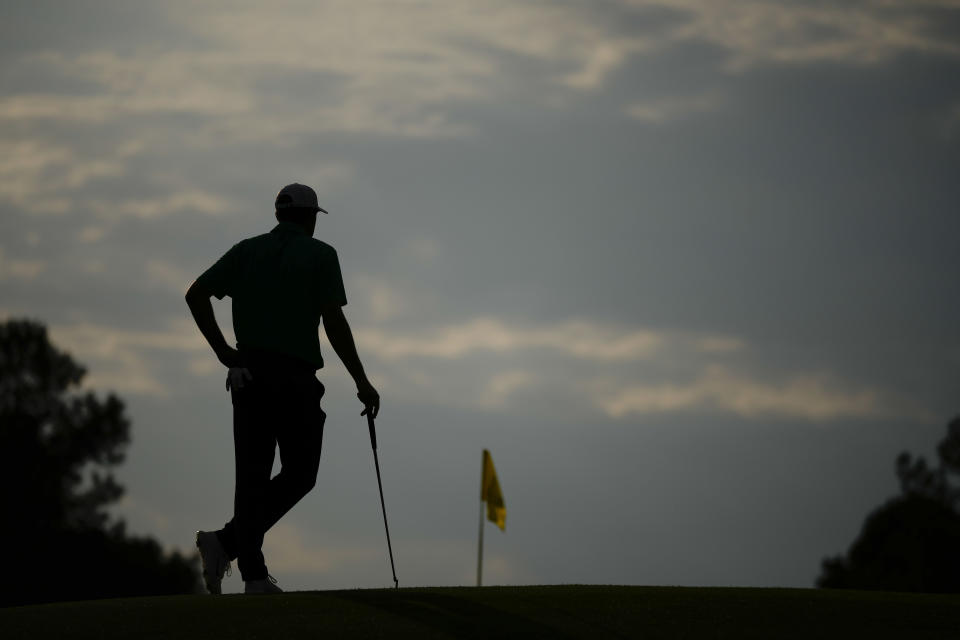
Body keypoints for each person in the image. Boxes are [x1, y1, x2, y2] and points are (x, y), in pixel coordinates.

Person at [185, 183, 380, 594]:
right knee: (300, 474)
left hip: (250, 374)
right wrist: (360, 380)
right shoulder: (321, 255)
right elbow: (334, 323)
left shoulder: (247, 250)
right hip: (294, 377)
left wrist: (223, 351)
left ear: (278, 215)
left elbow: (196, 294)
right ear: (310, 218)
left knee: (253, 477)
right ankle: (249, 571)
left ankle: (228, 546)